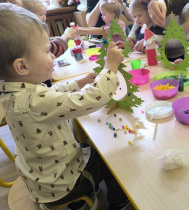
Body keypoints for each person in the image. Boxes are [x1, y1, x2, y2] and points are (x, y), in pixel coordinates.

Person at [0, 3, 130, 210]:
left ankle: (85, 194)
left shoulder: (15, 92)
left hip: (43, 179)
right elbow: (94, 98)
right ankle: (118, 202)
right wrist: (110, 67)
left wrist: (79, 83)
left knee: (91, 144)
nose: (52, 56)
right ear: (22, 66)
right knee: (110, 154)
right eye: (46, 51)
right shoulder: (33, 100)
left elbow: (50, 95)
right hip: (62, 184)